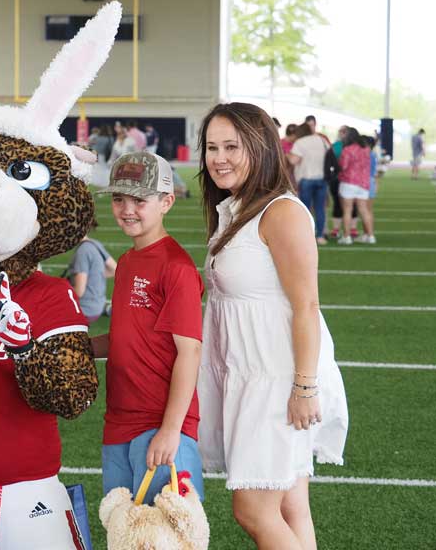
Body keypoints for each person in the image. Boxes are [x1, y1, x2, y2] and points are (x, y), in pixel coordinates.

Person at [197, 102, 348, 550]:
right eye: (211, 147)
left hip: (278, 377)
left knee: (254, 509)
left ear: (260, 148)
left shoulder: (281, 212)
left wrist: (303, 388)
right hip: (249, 371)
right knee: (289, 505)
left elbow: (307, 305)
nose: (218, 158)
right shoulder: (237, 209)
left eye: (231, 147)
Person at [91, 152, 206, 505]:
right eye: (119, 199)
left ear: (166, 202)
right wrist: (65, 345)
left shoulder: (177, 268)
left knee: (170, 533)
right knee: (125, 528)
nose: (127, 209)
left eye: (139, 200)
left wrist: (171, 430)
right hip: (119, 421)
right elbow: (124, 337)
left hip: (160, 424)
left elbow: (190, 351)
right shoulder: (126, 261)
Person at [67, 221, 116, 324]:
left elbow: (79, 292)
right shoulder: (94, 243)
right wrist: (93, 277)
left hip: (86, 311)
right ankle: (105, 309)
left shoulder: (82, 252)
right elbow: (114, 269)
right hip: (98, 304)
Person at [289, 123, 329, 245]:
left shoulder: (300, 142)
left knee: (305, 210)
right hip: (322, 179)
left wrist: (287, 155)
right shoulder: (321, 140)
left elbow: (293, 160)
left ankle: (306, 236)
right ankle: (321, 236)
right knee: (320, 208)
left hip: (306, 179)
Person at [337, 127, 376, 245]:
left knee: (347, 210)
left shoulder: (347, 150)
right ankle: (370, 236)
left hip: (349, 182)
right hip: (363, 183)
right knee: (364, 210)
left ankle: (346, 237)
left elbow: (343, 166)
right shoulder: (366, 149)